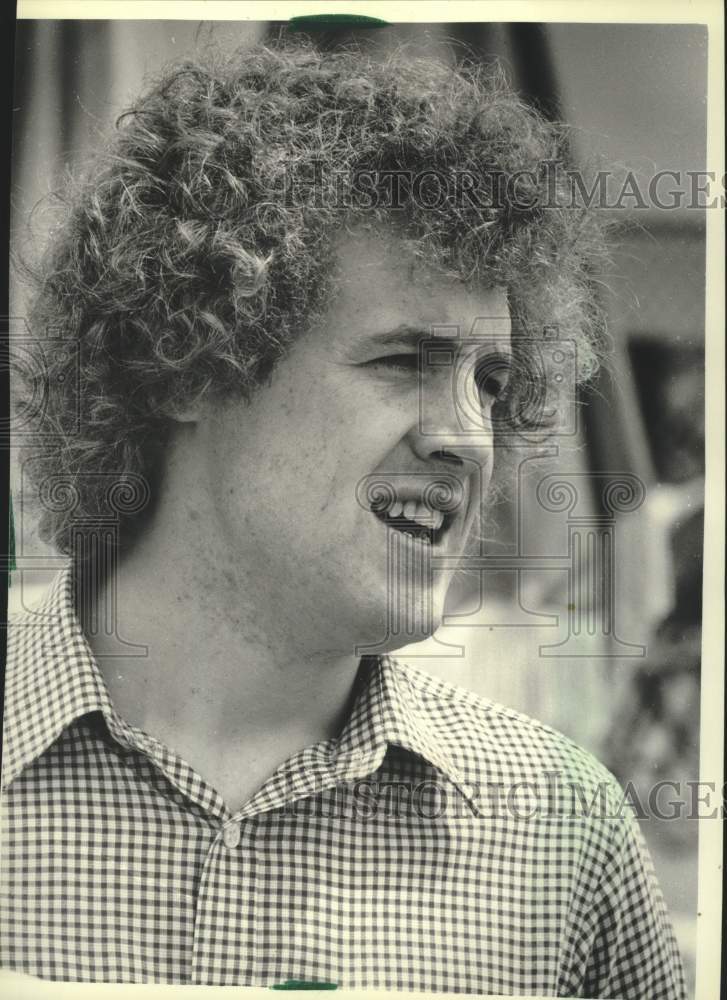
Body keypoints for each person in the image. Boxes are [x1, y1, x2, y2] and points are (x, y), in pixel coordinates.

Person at [2, 35, 686, 995]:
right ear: (189, 363)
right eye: (403, 361)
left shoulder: (561, 840)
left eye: (491, 381)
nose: (469, 438)